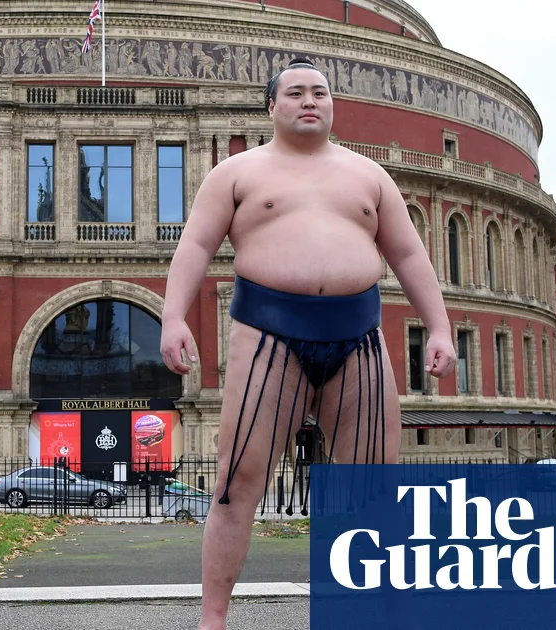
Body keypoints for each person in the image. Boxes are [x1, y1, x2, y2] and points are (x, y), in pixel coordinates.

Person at [159, 58, 456, 630]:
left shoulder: (369, 176)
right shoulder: (236, 173)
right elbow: (195, 245)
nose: (309, 101)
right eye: (295, 92)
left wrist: (438, 326)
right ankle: (213, 619)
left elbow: (410, 255)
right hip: (268, 337)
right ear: (272, 106)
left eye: (319, 92)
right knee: (235, 484)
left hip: (359, 340)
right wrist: (173, 316)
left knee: (377, 485)